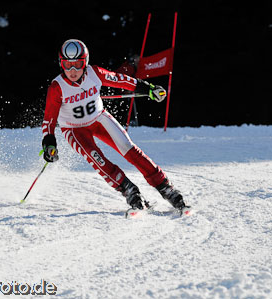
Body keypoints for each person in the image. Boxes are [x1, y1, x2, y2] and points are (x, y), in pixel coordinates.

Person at [41, 39, 187, 212]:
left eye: (78, 64)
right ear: (61, 64)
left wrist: (148, 89)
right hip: (74, 130)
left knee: (129, 149)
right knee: (98, 160)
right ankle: (129, 190)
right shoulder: (57, 87)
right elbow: (49, 120)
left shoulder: (95, 73)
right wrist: (49, 143)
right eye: (67, 65)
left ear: (85, 62)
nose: (72, 71)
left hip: (99, 119)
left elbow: (121, 80)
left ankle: (164, 187)